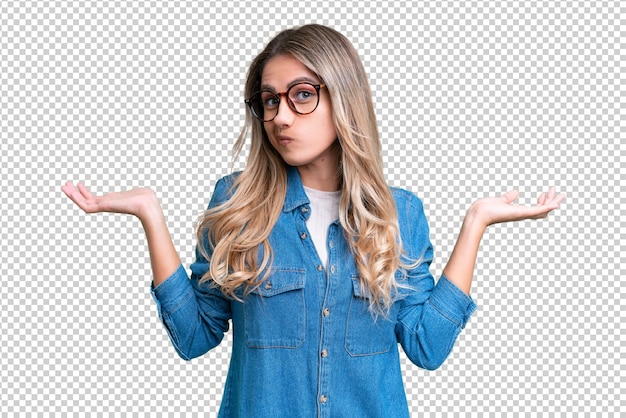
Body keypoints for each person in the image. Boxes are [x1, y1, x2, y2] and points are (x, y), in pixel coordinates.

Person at [61, 24, 564, 418]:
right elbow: (195, 338)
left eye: (302, 94)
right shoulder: (235, 203)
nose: (281, 116)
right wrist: (151, 214)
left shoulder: (400, 213)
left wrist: (476, 222)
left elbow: (426, 346)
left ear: (342, 96)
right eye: (270, 100)